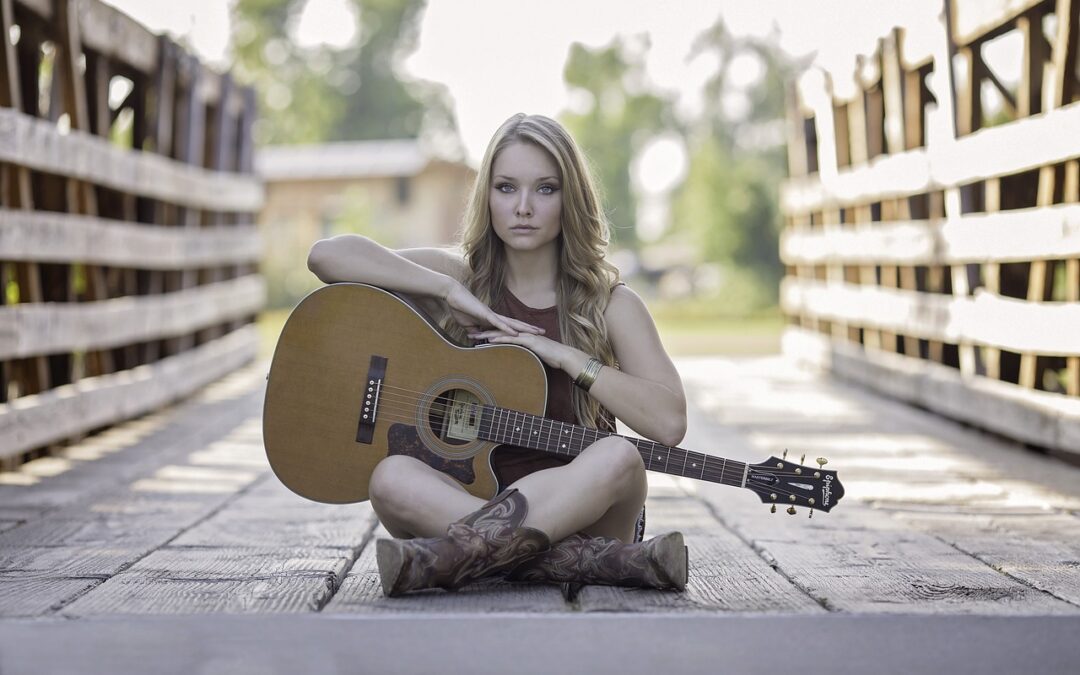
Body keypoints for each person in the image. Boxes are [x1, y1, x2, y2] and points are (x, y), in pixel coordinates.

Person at [306, 113, 689, 597]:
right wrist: (444, 289)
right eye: (506, 188)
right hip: (472, 501)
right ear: (486, 195)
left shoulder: (611, 303)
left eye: (545, 189)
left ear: (570, 198)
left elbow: (670, 423)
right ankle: (589, 564)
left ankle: (463, 556)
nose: (523, 207)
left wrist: (570, 359)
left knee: (618, 455)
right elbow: (326, 256)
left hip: (592, 515)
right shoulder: (462, 281)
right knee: (389, 477)